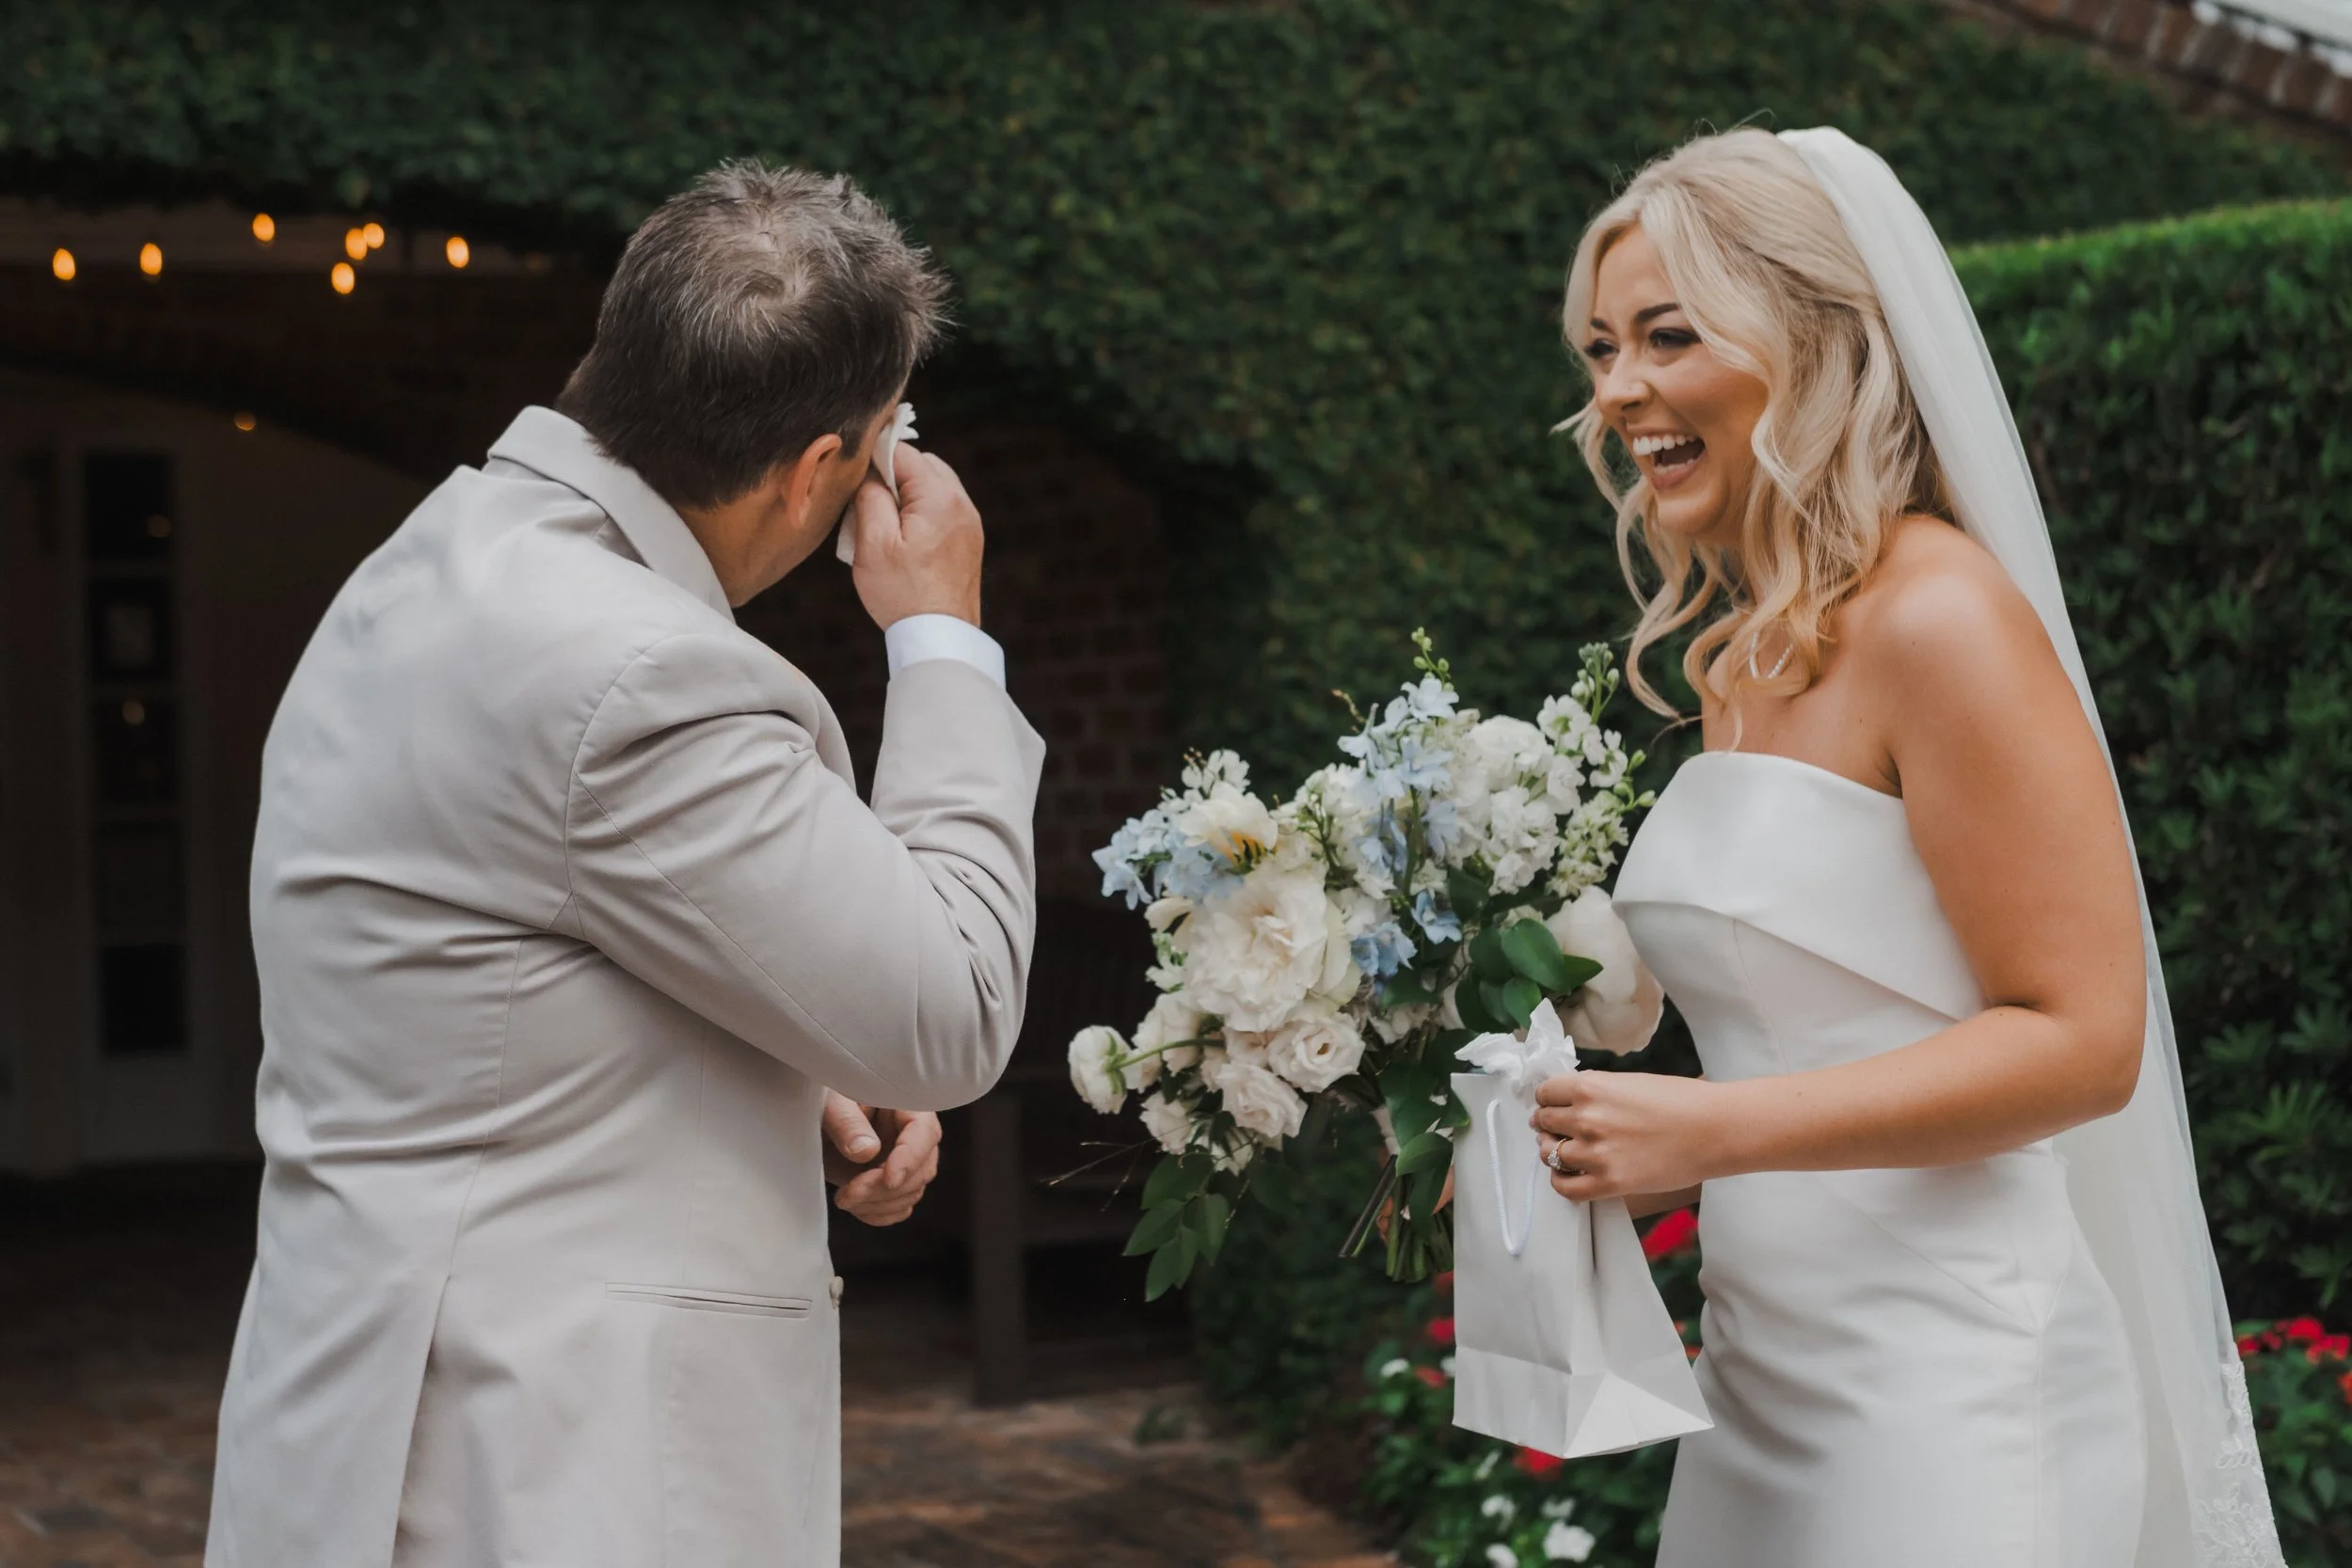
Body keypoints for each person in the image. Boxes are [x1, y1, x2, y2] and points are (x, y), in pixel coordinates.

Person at [205, 163, 1044, 1568]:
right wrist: (941, 636)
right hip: (546, 1466)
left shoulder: (438, 560)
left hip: (365, 1399)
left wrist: (788, 1061)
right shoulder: (642, 674)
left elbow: (501, 962)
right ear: (814, 473)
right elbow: (951, 1008)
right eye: (887, 439)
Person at [1525, 128, 2280, 1567]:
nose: (1618, 391)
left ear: (1811, 337)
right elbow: (1826, 1031)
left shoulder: (1940, 618)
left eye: (1668, 335)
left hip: (1956, 1394)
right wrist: (1589, 1146)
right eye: (1603, 349)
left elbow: (2082, 1041)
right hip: (1763, 1381)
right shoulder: (1741, 657)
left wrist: (1711, 1131)